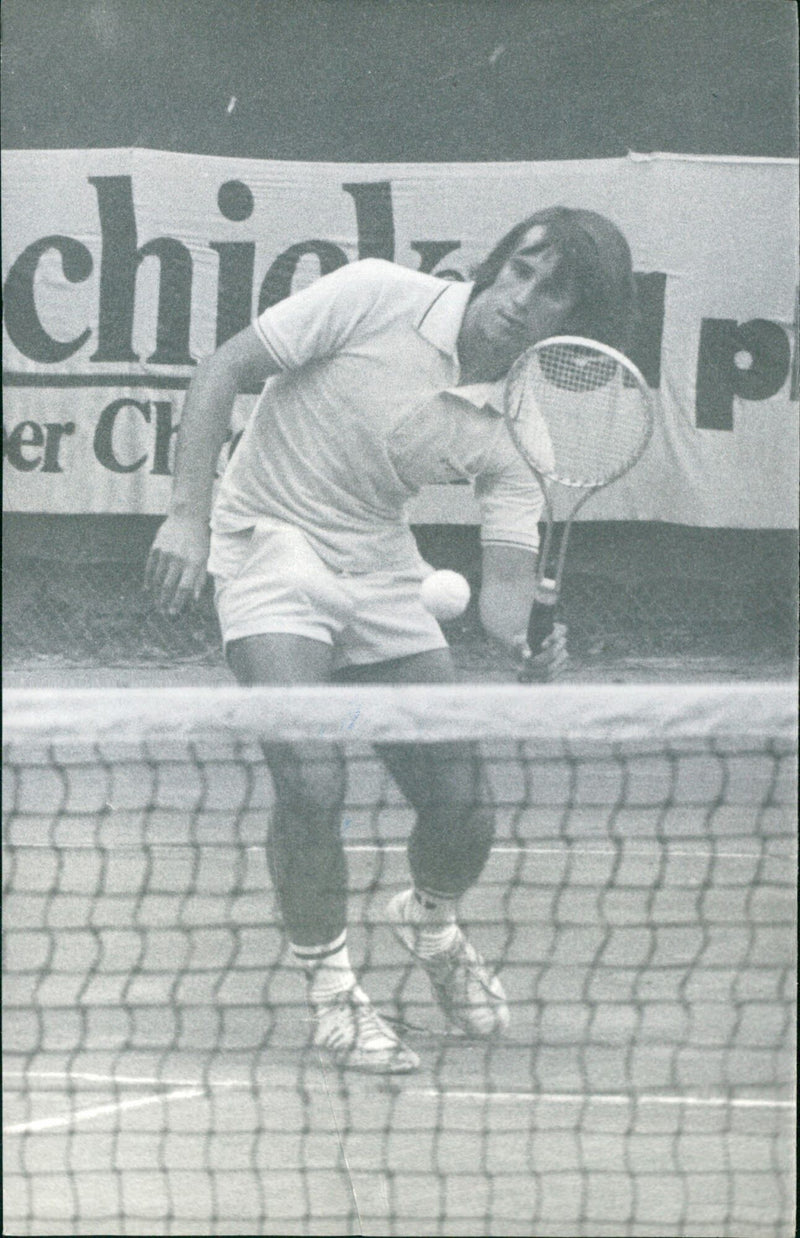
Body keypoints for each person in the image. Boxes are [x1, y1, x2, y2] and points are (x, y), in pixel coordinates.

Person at [146, 206, 639, 1074]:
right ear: (494, 263)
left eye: (553, 290)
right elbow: (225, 365)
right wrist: (186, 516)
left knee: (463, 800)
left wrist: (528, 642)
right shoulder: (376, 294)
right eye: (519, 268)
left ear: (577, 322)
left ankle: (431, 921)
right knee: (310, 773)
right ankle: (335, 995)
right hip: (270, 540)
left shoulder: (521, 429)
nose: (521, 298)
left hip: (380, 564)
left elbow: (503, 601)